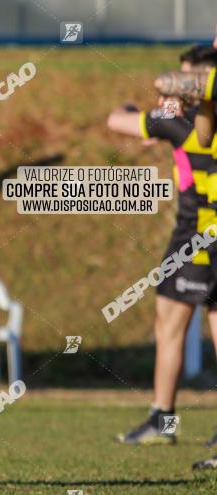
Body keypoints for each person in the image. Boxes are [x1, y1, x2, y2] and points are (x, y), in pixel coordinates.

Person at [108, 47, 217, 445]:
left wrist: (137, 108)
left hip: (194, 236)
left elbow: (116, 122)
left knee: (170, 326)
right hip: (199, 237)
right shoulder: (187, 120)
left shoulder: (176, 121)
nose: (182, 85)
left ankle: (163, 420)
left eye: (189, 79)